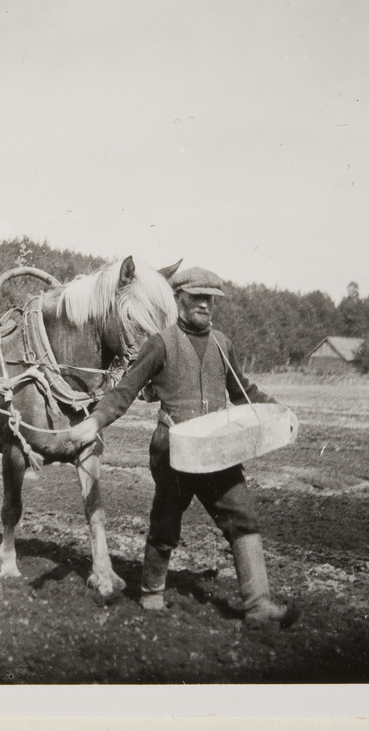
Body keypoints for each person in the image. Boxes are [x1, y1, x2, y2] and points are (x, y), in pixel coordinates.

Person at [66, 266, 299, 627]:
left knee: (243, 518)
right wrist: (93, 422)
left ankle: (258, 605)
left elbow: (244, 392)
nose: (205, 305)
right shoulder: (160, 343)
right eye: (197, 298)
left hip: (219, 451)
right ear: (180, 300)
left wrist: (281, 412)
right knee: (165, 524)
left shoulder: (223, 344)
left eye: (210, 299)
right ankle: (151, 595)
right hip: (173, 452)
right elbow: (125, 392)